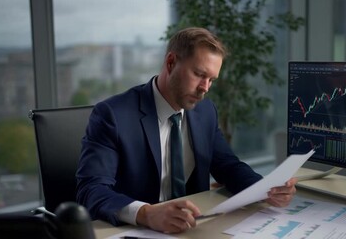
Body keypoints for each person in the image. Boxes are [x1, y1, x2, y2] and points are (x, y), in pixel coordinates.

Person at [76, 27, 297, 234]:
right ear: (171, 62)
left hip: (192, 229)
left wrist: (265, 188)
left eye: (211, 80)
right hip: (136, 231)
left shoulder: (205, 111)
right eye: (199, 74)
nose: (205, 88)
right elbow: (91, 190)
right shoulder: (112, 115)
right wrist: (147, 213)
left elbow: (228, 166)